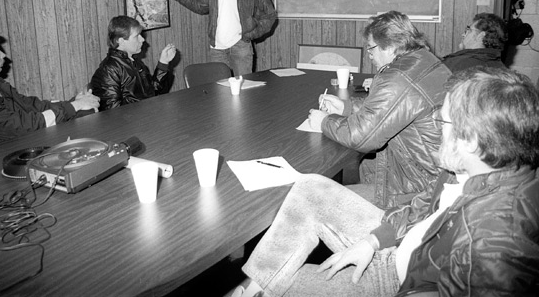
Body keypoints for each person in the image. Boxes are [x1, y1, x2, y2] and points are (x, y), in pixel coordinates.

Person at [230, 67, 539, 297]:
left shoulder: (493, 245)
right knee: (310, 188)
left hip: (399, 282)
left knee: (282, 287)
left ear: (470, 140)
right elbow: (423, 210)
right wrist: (374, 240)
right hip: (405, 245)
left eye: (442, 122)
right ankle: (252, 288)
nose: (436, 130)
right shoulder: (472, 166)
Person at [308, 11, 451, 208]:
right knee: (367, 164)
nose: (369, 55)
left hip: (420, 190)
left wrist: (324, 121)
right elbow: (395, 108)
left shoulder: (398, 77)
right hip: (439, 174)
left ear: (390, 46)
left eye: (371, 48)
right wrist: (347, 107)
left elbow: (361, 137)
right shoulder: (426, 61)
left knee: (313, 202)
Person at [0, 28, 100, 150]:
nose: (3, 55)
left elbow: (31, 105)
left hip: (21, 146)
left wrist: (75, 102)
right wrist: (73, 107)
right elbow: (25, 126)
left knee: (86, 119)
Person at [90, 16, 176, 111]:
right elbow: (112, 113)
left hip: (147, 116)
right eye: (137, 36)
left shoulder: (134, 62)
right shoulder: (109, 70)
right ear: (121, 41)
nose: (142, 39)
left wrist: (163, 63)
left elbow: (154, 93)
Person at [442, 13, 507, 73]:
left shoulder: (461, 65)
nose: (463, 34)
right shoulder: (500, 67)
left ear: (481, 36)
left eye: (468, 30)